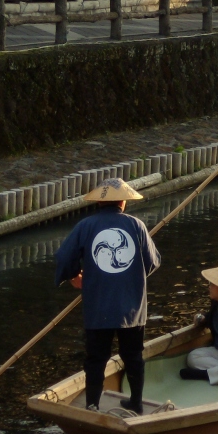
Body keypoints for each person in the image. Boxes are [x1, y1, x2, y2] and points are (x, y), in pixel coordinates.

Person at [54, 178, 161, 415]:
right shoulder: (137, 225)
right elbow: (152, 261)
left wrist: (74, 276)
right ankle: (136, 402)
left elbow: (63, 258)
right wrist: (133, 277)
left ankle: (92, 403)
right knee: (133, 356)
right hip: (131, 305)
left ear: (100, 203)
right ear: (123, 201)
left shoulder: (86, 226)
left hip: (98, 305)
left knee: (96, 357)